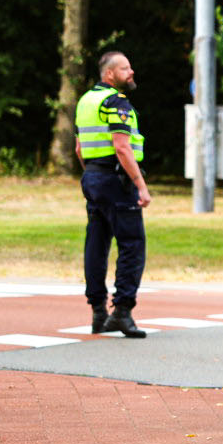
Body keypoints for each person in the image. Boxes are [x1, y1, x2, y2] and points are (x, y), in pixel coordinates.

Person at [75, 51, 151, 337]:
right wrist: (140, 185)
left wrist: (92, 174)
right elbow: (122, 147)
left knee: (96, 243)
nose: (131, 72)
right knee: (132, 243)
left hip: (93, 176)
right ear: (110, 74)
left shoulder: (85, 102)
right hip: (116, 179)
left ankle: (97, 311)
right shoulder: (115, 102)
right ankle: (122, 311)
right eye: (125, 69)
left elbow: (79, 149)